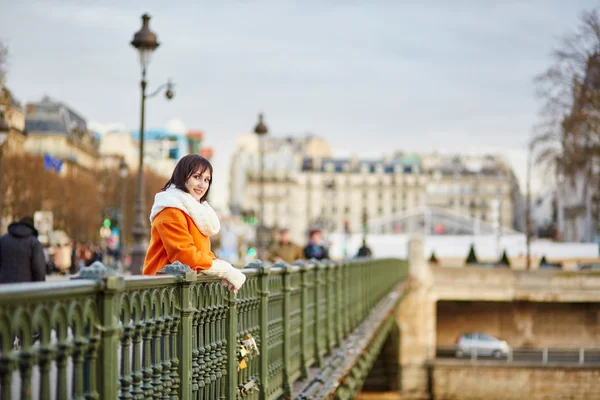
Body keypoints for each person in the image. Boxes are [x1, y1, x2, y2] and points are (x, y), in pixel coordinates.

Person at [143, 155, 246, 293]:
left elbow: (203, 254)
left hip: (180, 291)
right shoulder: (170, 210)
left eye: (206, 180)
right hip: (161, 294)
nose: (202, 185)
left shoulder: (193, 212)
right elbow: (186, 256)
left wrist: (223, 271)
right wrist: (224, 270)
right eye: (196, 177)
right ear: (182, 176)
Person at [0, 216, 46, 284]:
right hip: (26, 290)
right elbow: (39, 270)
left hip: (4, 289)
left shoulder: (3, 240)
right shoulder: (34, 243)